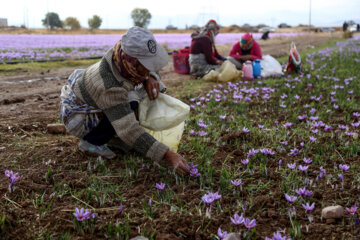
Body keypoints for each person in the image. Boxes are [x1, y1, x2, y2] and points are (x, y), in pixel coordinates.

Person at [59, 27, 190, 176]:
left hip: (99, 103)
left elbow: (150, 67)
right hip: (79, 117)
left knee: (137, 96)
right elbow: (128, 128)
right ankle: (92, 141)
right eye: (144, 68)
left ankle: (112, 137)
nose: (147, 71)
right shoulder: (108, 84)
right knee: (131, 102)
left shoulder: (122, 58)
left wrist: (150, 77)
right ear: (132, 62)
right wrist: (167, 155)